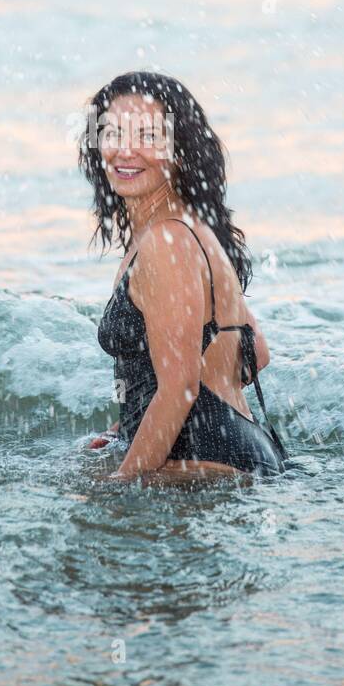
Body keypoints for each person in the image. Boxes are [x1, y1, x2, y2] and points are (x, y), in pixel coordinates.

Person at [79, 71, 288, 484]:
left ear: (179, 150)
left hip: (211, 464)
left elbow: (180, 389)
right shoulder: (188, 229)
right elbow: (255, 352)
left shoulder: (165, 245)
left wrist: (123, 482)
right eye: (113, 133)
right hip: (243, 453)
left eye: (148, 136)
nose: (125, 151)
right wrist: (133, 423)